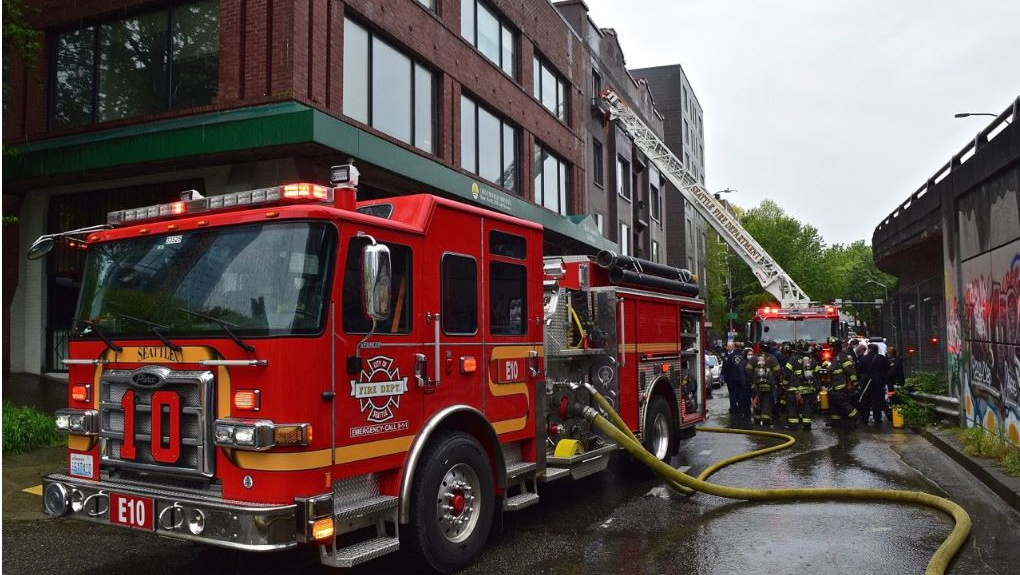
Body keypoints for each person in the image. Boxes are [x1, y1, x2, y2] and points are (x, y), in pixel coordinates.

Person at [824, 337, 860, 427]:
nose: (831, 349)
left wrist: (854, 381)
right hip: (834, 386)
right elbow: (832, 369)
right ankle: (835, 422)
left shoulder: (842, 356)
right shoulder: (836, 357)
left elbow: (850, 370)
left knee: (841, 403)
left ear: (836, 347)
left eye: (832, 347)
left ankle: (856, 416)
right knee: (834, 404)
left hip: (841, 385)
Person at [784, 340, 819, 430]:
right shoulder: (813, 360)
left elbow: (786, 375)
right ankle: (807, 426)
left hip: (794, 390)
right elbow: (817, 375)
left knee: (793, 408)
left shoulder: (792, 359)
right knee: (807, 407)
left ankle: (793, 427)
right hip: (809, 390)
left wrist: (785, 385)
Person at [746, 347, 782, 426]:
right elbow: (778, 372)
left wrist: (754, 380)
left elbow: (748, 371)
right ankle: (765, 423)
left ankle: (756, 422)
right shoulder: (772, 359)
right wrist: (771, 380)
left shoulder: (754, 358)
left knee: (756, 404)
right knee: (766, 405)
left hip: (755, 388)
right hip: (768, 388)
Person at [857, 343, 891, 425]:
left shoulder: (864, 358)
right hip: (879, 383)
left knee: (866, 401)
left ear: (869, 349)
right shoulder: (882, 358)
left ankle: (865, 418)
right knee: (878, 402)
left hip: (867, 383)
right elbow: (887, 369)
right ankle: (877, 419)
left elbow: (859, 370)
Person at [721, 342, 747, 416]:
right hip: (741, 379)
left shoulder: (730, 356)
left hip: (731, 379)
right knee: (740, 394)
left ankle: (733, 408)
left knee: (732, 394)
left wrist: (725, 377)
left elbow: (726, 367)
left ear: (734, 347)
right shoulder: (743, 356)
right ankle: (740, 408)